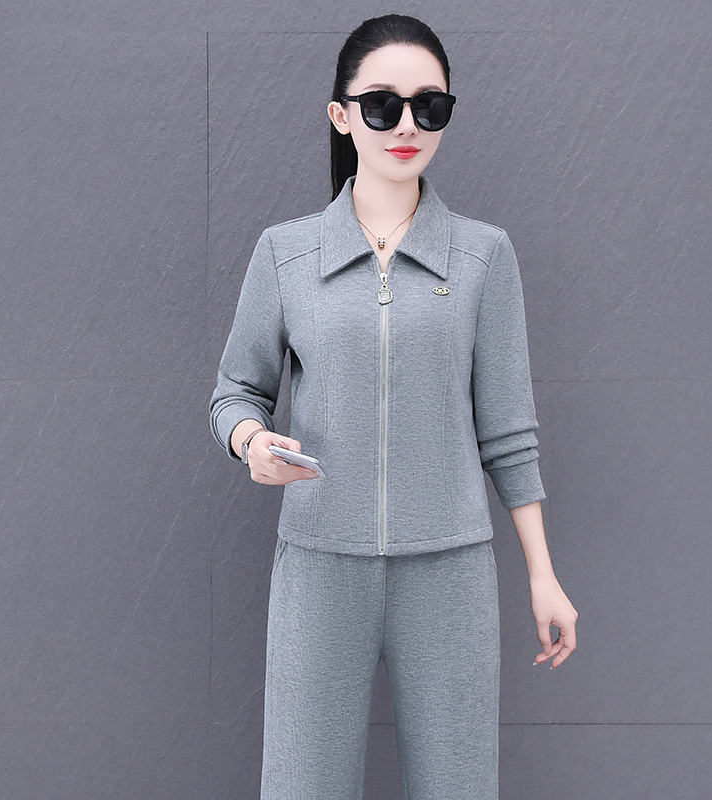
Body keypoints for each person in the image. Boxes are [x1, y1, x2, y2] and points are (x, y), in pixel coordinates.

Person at [209, 13, 578, 799]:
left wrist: (543, 576)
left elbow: (509, 432)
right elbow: (236, 390)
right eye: (382, 105)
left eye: (428, 106)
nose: (406, 125)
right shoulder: (285, 254)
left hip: (449, 572)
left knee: (458, 786)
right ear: (342, 115)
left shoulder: (484, 256)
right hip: (319, 567)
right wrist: (250, 442)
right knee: (302, 785)